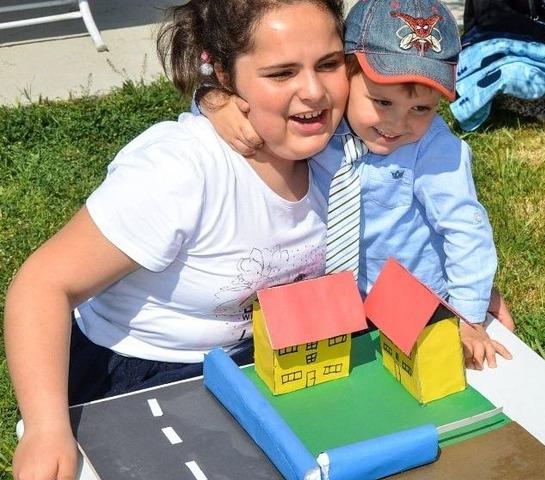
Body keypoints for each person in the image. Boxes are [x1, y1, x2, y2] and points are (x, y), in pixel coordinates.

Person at [4, 0, 350, 478]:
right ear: (225, 76)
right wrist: (47, 428)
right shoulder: (181, 172)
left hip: (260, 363)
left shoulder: (348, 153)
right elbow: (42, 284)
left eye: (329, 64)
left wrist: (466, 302)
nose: (313, 91)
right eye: (281, 73)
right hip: (139, 374)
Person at [200, 0, 514, 370]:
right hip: (328, 304)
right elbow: (260, 114)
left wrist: (468, 315)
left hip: (415, 304)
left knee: (425, 391)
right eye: (381, 101)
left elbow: (465, 229)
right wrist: (213, 103)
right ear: (346, 76)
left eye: (422, 109)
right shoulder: (320, 125)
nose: (397, 123)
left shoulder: (433, 147)